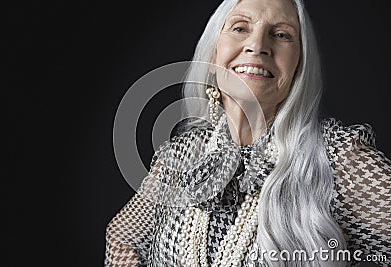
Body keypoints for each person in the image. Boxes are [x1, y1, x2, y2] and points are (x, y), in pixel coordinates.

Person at [104, 0, 391, 266]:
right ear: (214, 56)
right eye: (240, 28)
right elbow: (122, 236)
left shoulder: (333, 158)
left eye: (281, 35)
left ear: (299, 65)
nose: (257, 45)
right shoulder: (183, 155)